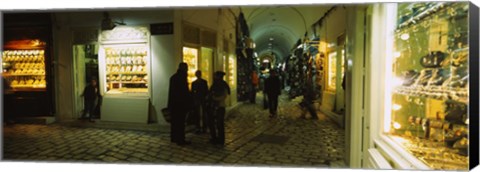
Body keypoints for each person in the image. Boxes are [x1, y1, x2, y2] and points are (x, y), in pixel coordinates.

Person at [168, 62, 194, 146]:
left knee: (175, 122)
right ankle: (180, 139)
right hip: (181, 104)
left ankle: (174, 137)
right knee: (180, 122)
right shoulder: (182, 78)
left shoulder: (173, 77)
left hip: (174, 104)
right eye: (186, 68)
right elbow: (184, 92)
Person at [207, 71, 230, 146]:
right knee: (212, 123)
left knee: (219, 124)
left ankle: (221, 140)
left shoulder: (223, 84)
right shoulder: (214, 84)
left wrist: (215, 98)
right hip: (213, 106)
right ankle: (214, 138)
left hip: (220, 106)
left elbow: (224, 95)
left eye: (216, 76)